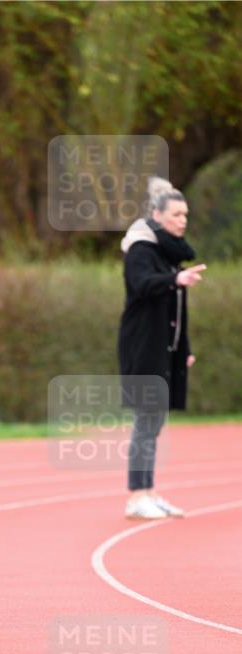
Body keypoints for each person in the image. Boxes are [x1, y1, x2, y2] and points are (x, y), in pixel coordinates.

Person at [118, 176, 206, 520]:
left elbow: (176, 309)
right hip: (142, 347)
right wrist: (175, 279)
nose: (183, 220)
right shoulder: (141, 250)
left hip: (165, 350)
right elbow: (141, 286)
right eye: (176, 214)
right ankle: (137, 496)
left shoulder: (169, 253)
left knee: (155, 422)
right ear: (157, 215)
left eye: (186, 215)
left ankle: (150, 492)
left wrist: (184, 347)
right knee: (145, 420)